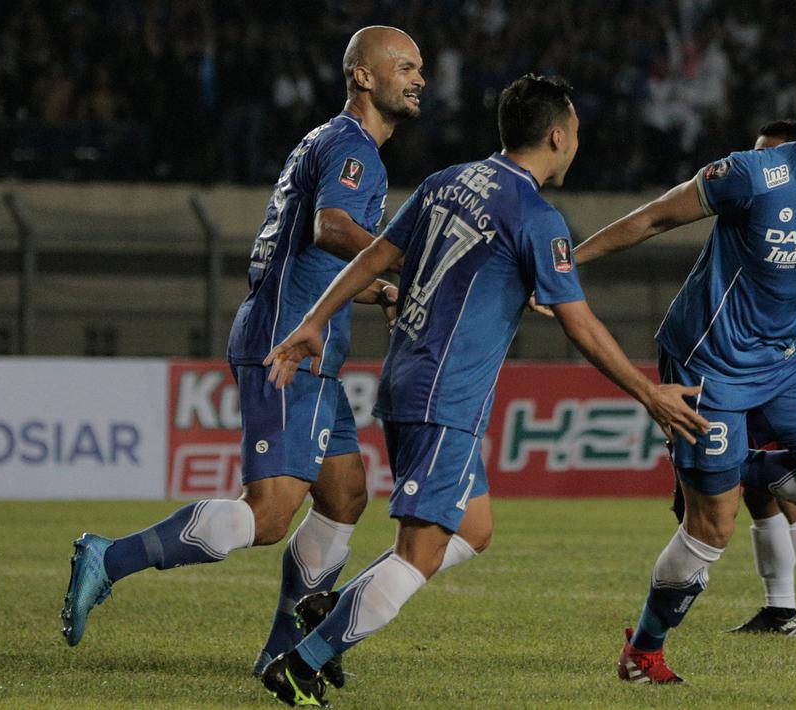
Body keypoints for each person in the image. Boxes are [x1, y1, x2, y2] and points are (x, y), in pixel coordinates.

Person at [257, 74, 709, 706]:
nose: (577, 141)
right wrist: (648, 393)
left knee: (475, 526)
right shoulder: (534, 214)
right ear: (557, 135)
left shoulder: (451, 180)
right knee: (417, 554)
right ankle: (304, 662)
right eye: (575, 130)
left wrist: (314, 320)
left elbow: (377, 255)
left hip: (412, 378)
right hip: (445, 396)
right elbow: (579, 323)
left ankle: (333, 607)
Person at [60, 27, 424, 686]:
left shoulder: (330, 142)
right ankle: (107, 558)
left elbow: (315, 252)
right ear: (363, 77)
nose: (418, 77)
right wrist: (406, 257)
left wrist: (384, 288)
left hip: (303, 345)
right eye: (403, 66)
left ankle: (281, 648)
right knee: (267, 515)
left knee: (343, 498)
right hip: (288, 345)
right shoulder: (352, 148)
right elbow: (333, 229)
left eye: (420, 67)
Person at [572, 66, 796, 683]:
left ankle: (742, 464)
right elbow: (657, 218)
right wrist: (566, 266)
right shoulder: (754, 174)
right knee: (710, 530)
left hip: (782, 361)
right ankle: (645, 648)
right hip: (708, 362)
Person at [669, 119, 796, 638]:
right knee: (759, 493)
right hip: (746, 369)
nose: (761, 169)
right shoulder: (752, 216)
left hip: (788, 373)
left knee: (791, 491)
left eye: (770, 156)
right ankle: (779, 608)